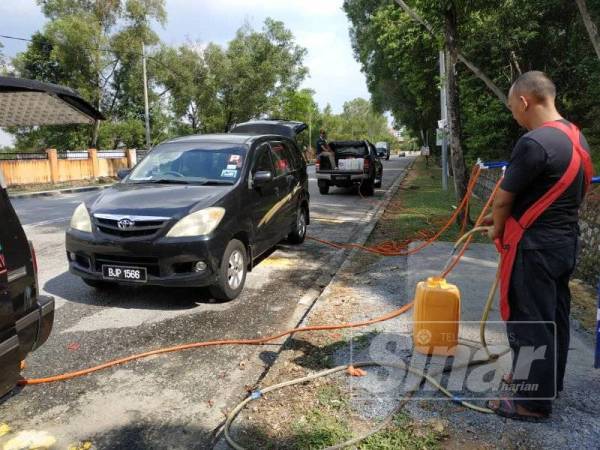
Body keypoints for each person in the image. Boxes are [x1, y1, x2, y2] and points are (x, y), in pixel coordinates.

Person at [486, 71, 593, 421]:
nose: (514, 116)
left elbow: (503, 200)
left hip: (534, 249)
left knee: (530, 320)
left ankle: (531, 403)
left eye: (512, 108)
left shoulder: (534, 143)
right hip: (564, 244)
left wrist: (497, 230)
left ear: (524, 101)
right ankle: (547, 383)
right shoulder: (577, 138)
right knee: (555, 317)